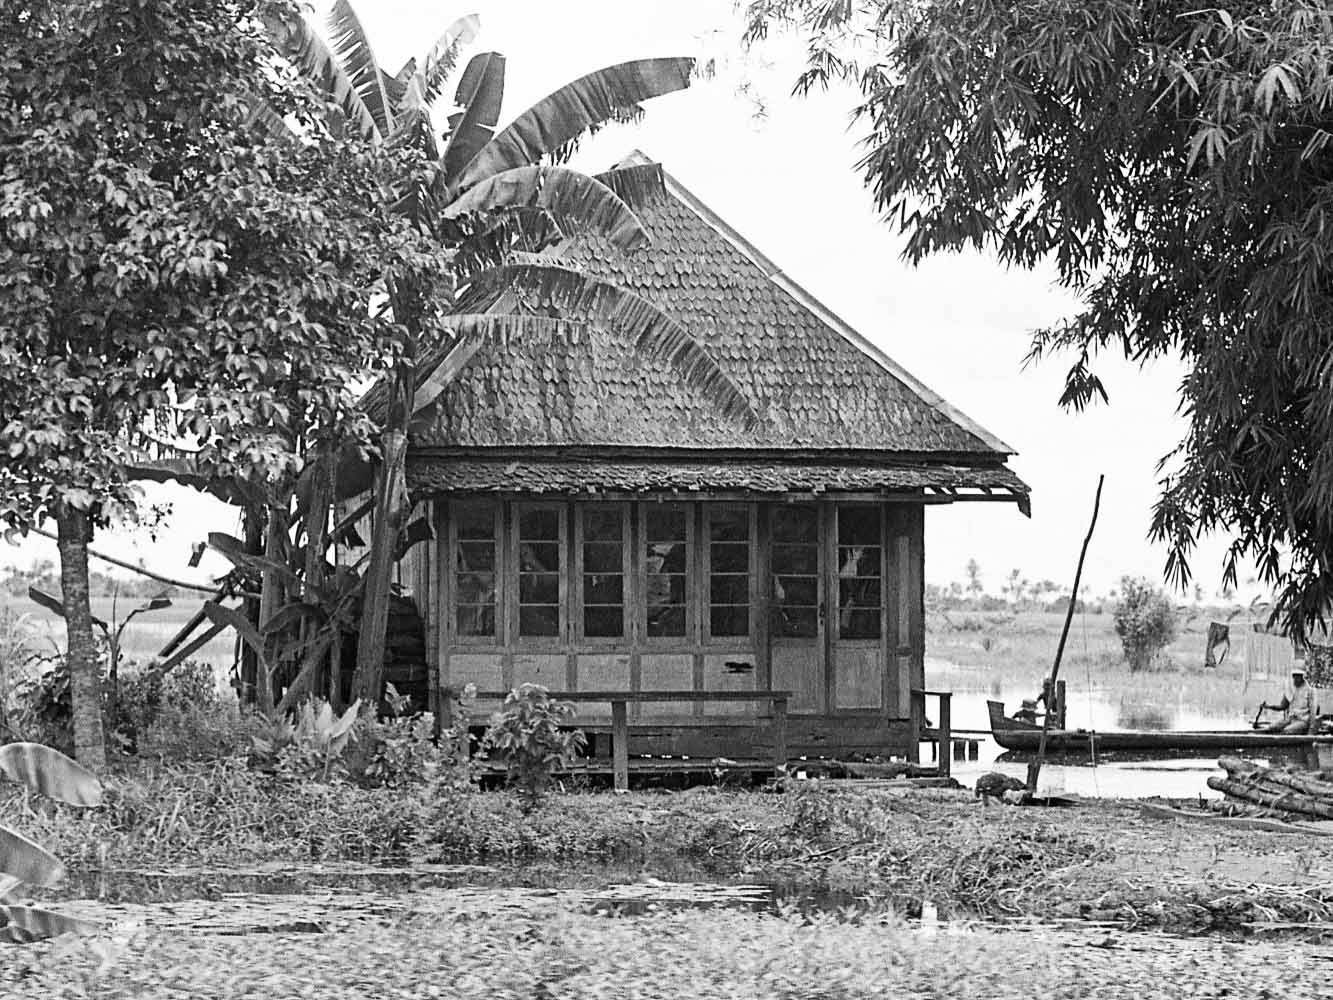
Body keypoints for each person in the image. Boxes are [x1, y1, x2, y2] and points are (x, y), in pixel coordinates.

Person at [1260, 668, 1318, 734]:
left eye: (1298, 676)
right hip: (1290, 719)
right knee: (1272, 728)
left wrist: (1311, 729)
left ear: (1302, 677)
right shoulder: (1290, 689)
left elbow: (1313, 712)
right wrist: (1268, 706)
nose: (1295, 679)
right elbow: (1282, 706)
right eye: (1294, 676)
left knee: (1287, 731)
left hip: (1302, 720)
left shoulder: (1310, 691)